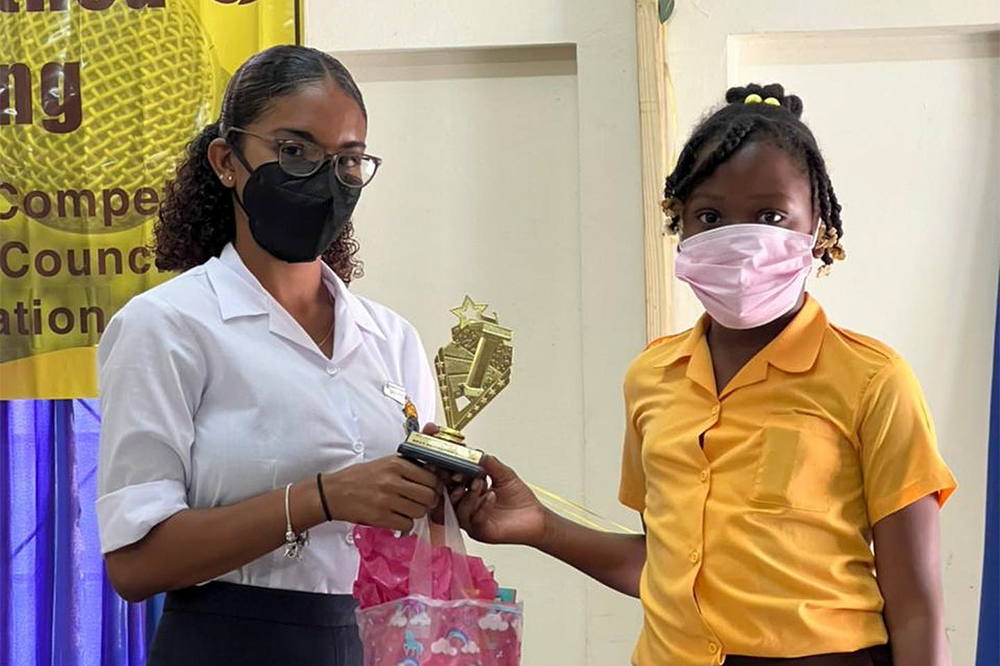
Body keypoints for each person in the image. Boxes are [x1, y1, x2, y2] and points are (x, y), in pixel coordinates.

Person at [454, 83, 957, 666]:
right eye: (710, 216)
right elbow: (663, 562)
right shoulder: (652, 376)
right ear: (681, 227)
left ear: (817, 228)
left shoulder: (874, 380)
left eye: (770, 215)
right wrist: (541, 527)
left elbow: (918, 607)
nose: (737, 240)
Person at [96, 45, 442, 666]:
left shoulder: (393, 340)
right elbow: (135, 563)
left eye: (349, 159)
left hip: (373, 639)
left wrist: (451, 497)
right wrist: (320, 498)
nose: (324, 176)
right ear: (228, 161)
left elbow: (420, 535)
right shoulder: (167, 326)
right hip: (226, 642)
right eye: (294, 150)